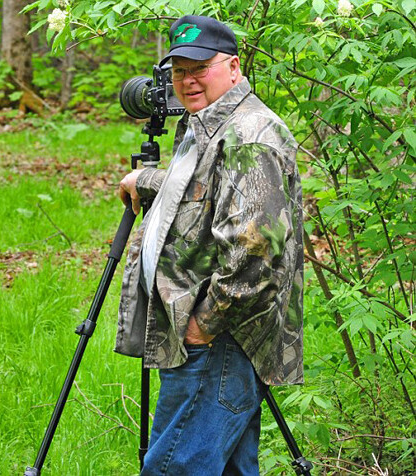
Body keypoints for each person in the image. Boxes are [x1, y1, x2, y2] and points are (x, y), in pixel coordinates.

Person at [114, 15, 304, 475]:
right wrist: (150, 180)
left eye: (200, 67)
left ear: (234, 67)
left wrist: (205, 323)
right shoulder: (214, 126)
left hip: (220, 338)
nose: (188, 80)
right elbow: (210, 192)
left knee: (174, 467)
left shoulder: (250, 136)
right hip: (215, 338)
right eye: (179, 71)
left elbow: (256, 252)